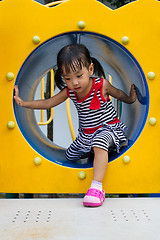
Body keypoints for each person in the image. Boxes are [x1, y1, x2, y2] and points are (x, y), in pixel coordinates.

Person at [14, 44, 136, 207]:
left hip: (109, 129)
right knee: (70, 155)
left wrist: (130, 98)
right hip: (87, 135)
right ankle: (97, 151)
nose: (75, 82)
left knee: (100, 141)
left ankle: (97, 188)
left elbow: (118, 94)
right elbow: (48, 102)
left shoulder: (102, 84)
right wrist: (24, 103)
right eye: (68, 78)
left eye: (79, 75)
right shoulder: (70, 92)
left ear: (90, 69)